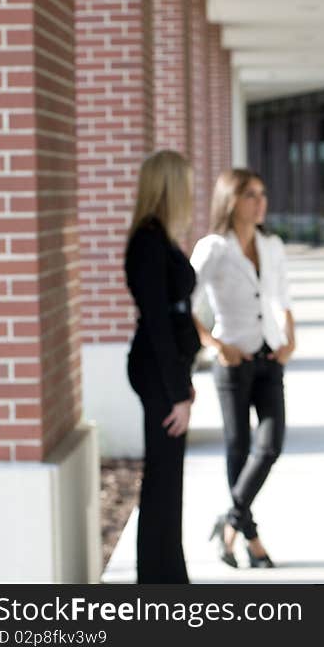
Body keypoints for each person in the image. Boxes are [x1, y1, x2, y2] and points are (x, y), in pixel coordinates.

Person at [190, 169, 295, 569]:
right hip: (233, 365)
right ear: (231, 201)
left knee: (270, 446)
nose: (260, 201)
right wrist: (215, 346)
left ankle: (230, 521)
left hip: (269, 359)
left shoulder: (271, 245)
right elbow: (186, 305)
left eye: (262, 193)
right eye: (251, 194)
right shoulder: (213, 248)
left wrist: (290, 338)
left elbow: (284, 298)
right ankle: (250, 539)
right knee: (237, 448)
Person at [124, 149, 200, 583]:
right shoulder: (149, 243)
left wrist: (184, 385)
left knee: (166, 479)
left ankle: (165, 575)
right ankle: (160, 581)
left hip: (166, 372)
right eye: (185, 183)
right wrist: (177, 393)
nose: (190, 192)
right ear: (169, 186)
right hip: (156, 372)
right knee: (163, 480)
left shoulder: (161, 238)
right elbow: (157, 324)